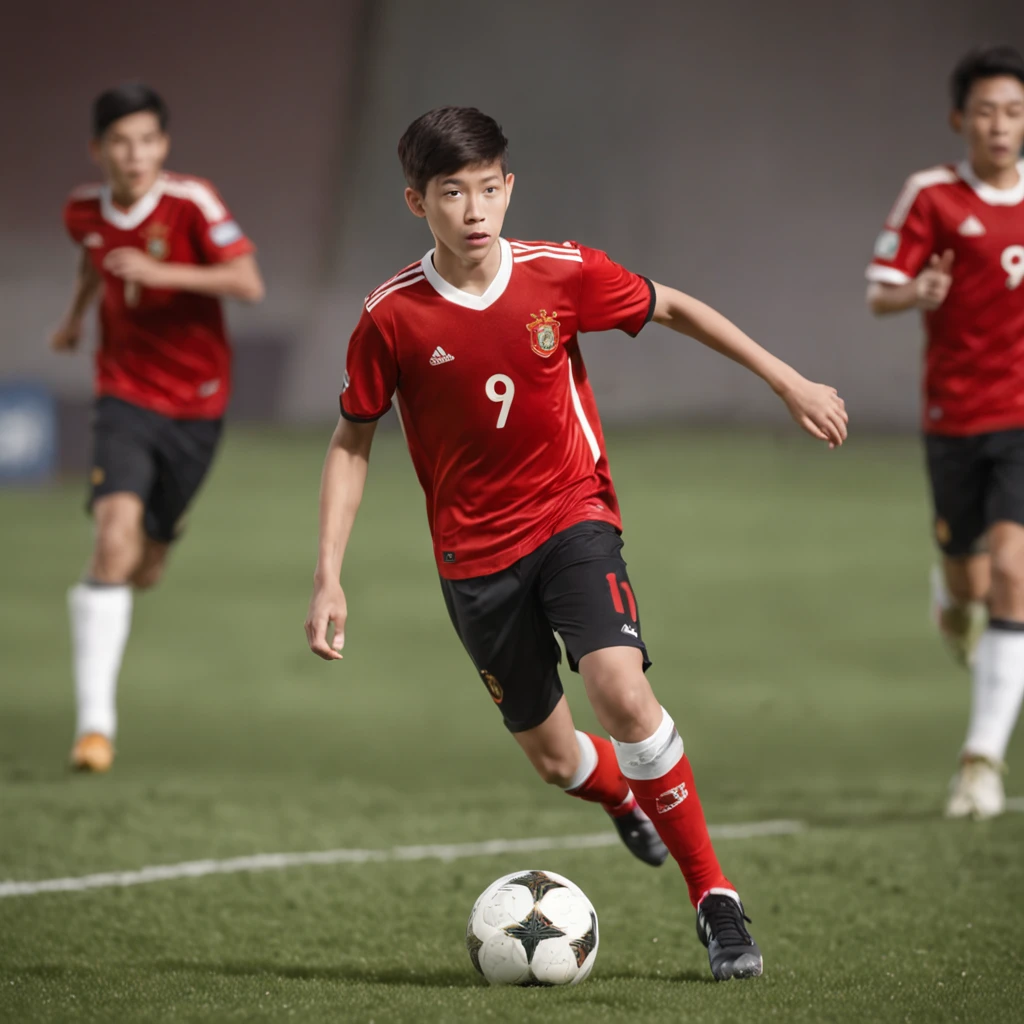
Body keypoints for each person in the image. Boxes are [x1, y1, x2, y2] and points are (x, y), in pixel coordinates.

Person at [305, 106, 847, 980]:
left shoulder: (562, 275)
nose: (476, 210)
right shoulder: (391, 318)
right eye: (453, 193)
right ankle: (618, 794)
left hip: (572, 517)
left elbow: (673, 307)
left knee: (621, 694)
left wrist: (788, 381)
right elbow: (351, 440)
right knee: (557, 759)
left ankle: (716, 901)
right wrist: (328, 576)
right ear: (418, 203)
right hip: (473, 561)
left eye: (489, 188)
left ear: (509, 186)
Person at [54, 82, 264, 772]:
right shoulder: (82, 210)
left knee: (144, 566)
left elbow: (247, 282)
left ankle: (155, 539)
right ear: (98, 150)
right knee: (112, 543)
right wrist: (77, 317)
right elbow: (94, 255)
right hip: (123, 393)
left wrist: (159, 269)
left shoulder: (191, 203)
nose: (135, 153)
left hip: (198, 403)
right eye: (120, 141)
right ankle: (94, 728)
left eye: (146, 139)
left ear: (163, 146)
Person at [866, 45, 1024, 820]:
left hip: (1023, 420)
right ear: (962, 119)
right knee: (969, 582)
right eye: (988, 110)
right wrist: (918, 292)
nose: (1001, 125)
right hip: (955, 419)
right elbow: (880, 292)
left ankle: (980, 763)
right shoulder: (932, 196)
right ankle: (950, 594)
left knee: (1015, 567)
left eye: (1015, 111)